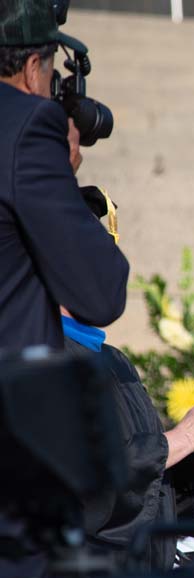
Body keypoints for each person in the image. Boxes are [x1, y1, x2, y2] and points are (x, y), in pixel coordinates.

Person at [59, 309, 194, 568]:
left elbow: (160, 492)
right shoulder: (35, 360)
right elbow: (84, 475)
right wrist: (186, 436)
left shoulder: (114, 360)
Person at [0, 1, 129, 350]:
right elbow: (100, 293)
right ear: (31, 70)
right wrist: (61, 174)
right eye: (49, 74)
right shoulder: (27, 127)